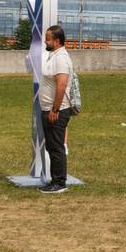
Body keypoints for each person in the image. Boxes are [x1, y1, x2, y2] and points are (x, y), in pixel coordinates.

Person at [39, 24, 75, 194]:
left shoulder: (61, 58)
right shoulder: (53, 56)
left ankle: (59, 182)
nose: (45, 41)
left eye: (48, 38)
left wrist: (55, 109)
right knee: (52, 146)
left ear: (57, 41)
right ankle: (56, 180)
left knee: (56, 147)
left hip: (56, 111)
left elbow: (61, 85)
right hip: (49, 109)